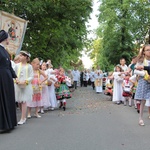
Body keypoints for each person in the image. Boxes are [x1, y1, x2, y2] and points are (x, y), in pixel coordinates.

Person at [0, 30, 17, 133]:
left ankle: (10, 123)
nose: (8, 40)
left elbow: (9, 66)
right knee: (3, 99)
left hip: (7, 78)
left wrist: (15, 76)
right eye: (7, 38)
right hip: (1, 77)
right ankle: (3, 124)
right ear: (5, 39)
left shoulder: (5, 51)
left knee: (8, 98)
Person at [14, 51, 33, 125]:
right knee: (19, 101)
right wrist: (16, 80)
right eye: (20, 55)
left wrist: (26, 81)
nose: (20, 57)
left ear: (26, 57)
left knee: (24, 101)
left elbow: (31, 76)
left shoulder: (29, 66)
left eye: (22, 55)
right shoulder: (17, 65)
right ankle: (23, 115)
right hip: (18, 85)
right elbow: (14, 74)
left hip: (26, 85)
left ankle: (22, 118)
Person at [134, 44, 150, 126]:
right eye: (147, 50)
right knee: (143, 100)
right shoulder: (141, 60)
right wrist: (144, 73)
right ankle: (140, 118)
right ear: (144, 51)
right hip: (143, 81)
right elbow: (135, 71)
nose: (149, 51)